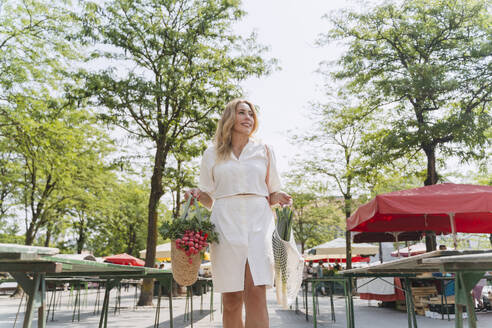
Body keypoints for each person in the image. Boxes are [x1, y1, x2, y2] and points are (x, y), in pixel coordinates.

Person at [185, 99, 292, 328]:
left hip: (259, 221)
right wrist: (196, 194)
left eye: (251, 114)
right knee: (231, 297)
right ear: (229, 118)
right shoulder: (211, 154)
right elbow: (208, 197)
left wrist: (278, 197)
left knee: (256, 293)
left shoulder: (264, 150)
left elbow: (272, 191)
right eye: (242, 113)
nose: (248, 118)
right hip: (224, 223)